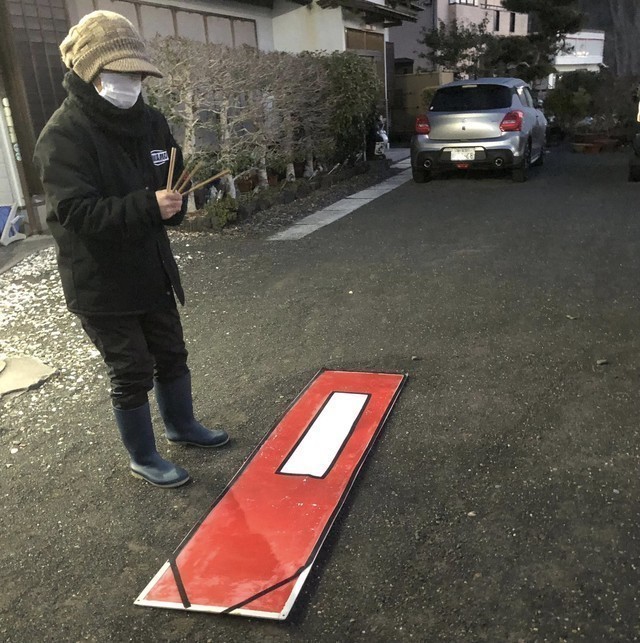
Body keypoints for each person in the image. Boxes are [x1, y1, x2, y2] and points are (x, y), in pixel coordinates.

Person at [33, 10, 229, 489]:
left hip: (151, 268)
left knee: (171, 352)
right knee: (131, 368)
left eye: (138, 74)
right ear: (91, 73)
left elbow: (169, 181)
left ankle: (182, 426)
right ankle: (143, 455)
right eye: (121, 74)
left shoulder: (151, 121)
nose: (132, 83)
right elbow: (74, 213)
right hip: (100, 280)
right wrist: (148, 205)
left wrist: (173, 207)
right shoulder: (63, 135)